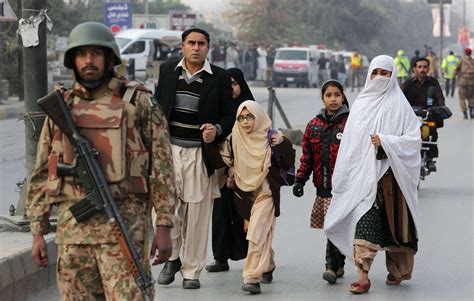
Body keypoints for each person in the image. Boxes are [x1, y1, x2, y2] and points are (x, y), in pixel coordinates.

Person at [26, 22, 176, 300]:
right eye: (82, 54)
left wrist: (165, 224)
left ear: (110, 58)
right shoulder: (62, 107)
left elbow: (162, 168)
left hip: (125, 234)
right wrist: (38, 230)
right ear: (73, 60)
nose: (89, 61)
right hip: (73, 237)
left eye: (96, 53)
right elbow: (42, 171)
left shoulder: (139, 103)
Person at [324, 55, 421, 294]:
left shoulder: (400, 105)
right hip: (362, 179)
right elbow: (351, 145)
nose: (380, 78)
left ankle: (397, 270)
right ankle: (363, 275)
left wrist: (387, 142)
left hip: (391, 178)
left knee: (396, 227)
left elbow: (413, 140)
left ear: (393, 75)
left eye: (385, 73)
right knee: (363, 222)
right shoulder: (361, 104)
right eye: (376, 72)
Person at [153, 27, 234, 289]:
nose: (196, 47)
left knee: (197, 214)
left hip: (200, 154)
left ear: (208, 47)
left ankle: (191, 271)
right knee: (164, 209)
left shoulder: (219, 77)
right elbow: (157, 106)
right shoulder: (168, 71)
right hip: (168, 152)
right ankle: (173, 257)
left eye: (201, 43)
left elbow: (228, 116)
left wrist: (217, 130)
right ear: (183, 47)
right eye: (191, 43)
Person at [215, 100, 295, 294]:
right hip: (244, 194)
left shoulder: (272, 137)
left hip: (267, 192)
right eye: (241, 118)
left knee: (256, 231)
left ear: (258, 116)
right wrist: (231, 169)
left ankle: (252, 276)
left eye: (250, 116)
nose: (245, 122)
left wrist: (282, 144)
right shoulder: (234, 137)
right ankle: (268, 264)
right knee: (257, 231)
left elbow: (289, 162)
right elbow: (223, 159)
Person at [292, 79, 349, 284]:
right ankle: (338, 264)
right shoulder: (314, 126)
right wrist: (300, 180)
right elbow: (307, 157)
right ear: (323, 98)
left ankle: (331, 266)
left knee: (335, 227)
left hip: (345, 188)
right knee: (331, 227)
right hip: (323, 187)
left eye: (337, 95)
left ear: (343, 97)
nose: (333, 99)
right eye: (328, 95)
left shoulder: (352, 123)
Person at [205, 67, 254, 273]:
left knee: (251, 217)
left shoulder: (251, 110)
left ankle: (258, 259)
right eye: (228, 84)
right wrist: (226, 167)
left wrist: (239, 167)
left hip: (249, 173)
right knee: (221, 215)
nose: (232, 88)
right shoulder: (220, 111)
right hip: (222, 172)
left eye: (235, 83)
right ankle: (221, 258)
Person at [401, 57, 445, 172]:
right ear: (415, 69)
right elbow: (398, 97)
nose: (422, 69)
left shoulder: (433, 82)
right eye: (419, 67)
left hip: (428, 115)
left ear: (428, 68)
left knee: (432, 130)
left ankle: (430, 158)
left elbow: (439, 97)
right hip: (410, 116)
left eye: (425, 67)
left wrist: (441, 107)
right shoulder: (408, 83)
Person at [455, 47, 474, 119]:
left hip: (463, 81)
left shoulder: (461, 60)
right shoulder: (473, 61)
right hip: (472, 82)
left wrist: (455, 75)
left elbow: (457, 69)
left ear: (465, 53)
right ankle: (471, 112)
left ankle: (465, 114)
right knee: (472, 97)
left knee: (462, 98)